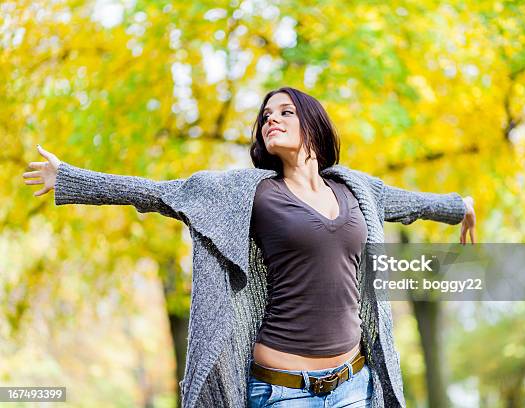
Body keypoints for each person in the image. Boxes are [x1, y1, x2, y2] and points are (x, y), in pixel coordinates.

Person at [23, 86, 476, 408]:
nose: (270, 120)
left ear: (313, 125)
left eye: (284, 112)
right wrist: (72, 179)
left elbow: (411, 203)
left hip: (354, 386)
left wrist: (461, 206)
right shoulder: (248, 193)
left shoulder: (356, 190)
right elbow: (159, 192)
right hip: (283, 392)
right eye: (265, 116)